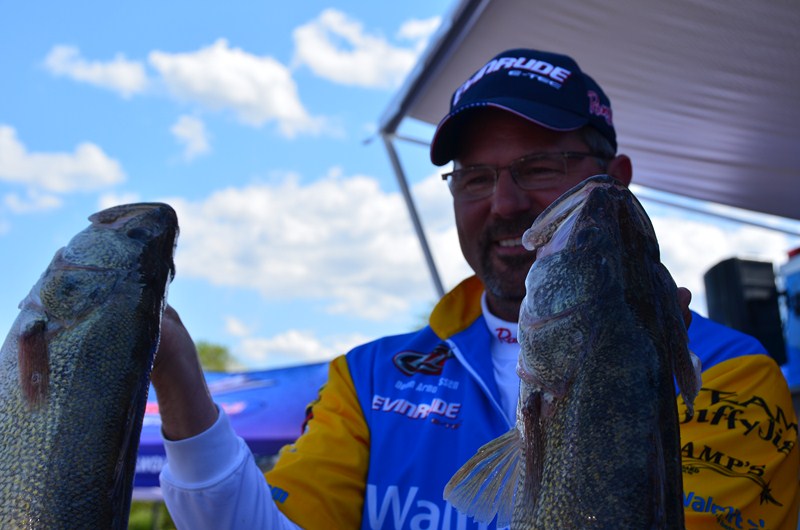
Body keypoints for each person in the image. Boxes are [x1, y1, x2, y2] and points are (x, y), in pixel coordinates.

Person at [151, 48, 799, 529]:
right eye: (475, 179)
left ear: (617, 180)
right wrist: (178, 375)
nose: (506, 203)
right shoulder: (369, 378)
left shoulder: (729, 375)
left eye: (540, 167)